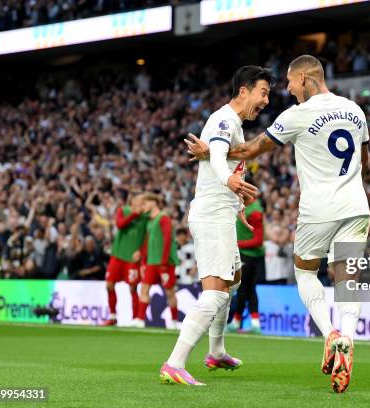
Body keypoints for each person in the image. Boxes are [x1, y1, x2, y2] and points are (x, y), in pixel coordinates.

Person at [187, 55, 370, 393]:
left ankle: (329, 333)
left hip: (319, 209)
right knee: (348, 276)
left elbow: (251, 150)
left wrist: (211, 151)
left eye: (290, 82)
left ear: (305, 78)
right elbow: (365, 161)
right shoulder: (355, 110)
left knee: (305, 271)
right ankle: (348, 335)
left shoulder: (298, 114)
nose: (287, 89)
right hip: (357, 205)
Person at [159, 66, 271, 386]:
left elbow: (219, 158)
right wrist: (230, 181)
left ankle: (217, 352)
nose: (266, 100)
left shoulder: (233, 123)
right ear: (243, 91)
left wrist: (237, 206)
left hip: (220, 213)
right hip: (211, 216)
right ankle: (175, 363)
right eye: (263, 92)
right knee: (217, 292)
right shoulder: (224, 119)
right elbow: (220, 157)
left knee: (233, 279)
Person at [132, 194, 179, 329]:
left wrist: (164, 262)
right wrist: (142, 256)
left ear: (153, 203)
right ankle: (140, 319)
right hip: (152, 262)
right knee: (144, 288)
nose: (143, 207)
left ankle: (174, 322)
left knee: (169, 292)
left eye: (144, 204)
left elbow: (167, 240)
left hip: (165, 263)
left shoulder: (164, 218)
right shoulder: (150, 221)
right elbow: (148, 242)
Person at [102, 193, 148, 326]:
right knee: (109, 285)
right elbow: (120, 224)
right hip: (117, 256)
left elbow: (147, 237)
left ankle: (135, 319)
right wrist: (134, 214)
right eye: (140, 200)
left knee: (133, 288)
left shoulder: (145, 217)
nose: (142, 203)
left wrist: (141, 251)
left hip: (132, 259)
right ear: (132, 201)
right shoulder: (123, 210)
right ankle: (112, 316)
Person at [228, 191, 265, 334]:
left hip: (250, 256)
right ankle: (249, 322)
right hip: (245, 254)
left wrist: (237, 243)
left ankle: (240, 322)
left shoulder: (255, 212)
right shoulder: (244, 207)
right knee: (248, 289)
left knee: (244, 288)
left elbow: (258, 240)